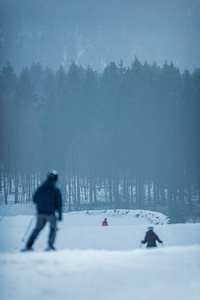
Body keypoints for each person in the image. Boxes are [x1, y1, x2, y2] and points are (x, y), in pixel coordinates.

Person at [23, 170, 62, 251]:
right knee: (53, 228)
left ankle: (28, 245)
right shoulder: (56, 189)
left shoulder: (40, 188)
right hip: (50, 213)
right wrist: (60, 215)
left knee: (37, 229)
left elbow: (34, 199)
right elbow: (59, 204)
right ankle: (50, 245)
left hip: (40, 213)